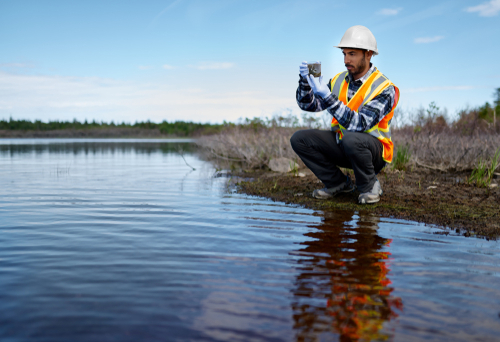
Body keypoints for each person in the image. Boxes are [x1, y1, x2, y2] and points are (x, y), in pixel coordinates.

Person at [290, 25, 400, 204]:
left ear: (369, 54)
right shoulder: (339, 80)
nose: (346, 60)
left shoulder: (385, 88)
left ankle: (369, 186)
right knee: (299, 139)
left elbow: (360, 124)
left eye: (352, 54)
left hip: (373, 153)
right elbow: (308, 105)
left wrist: (327, 96)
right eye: (344, 54)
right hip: (344, 144)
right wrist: (305, 83)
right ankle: (338, 184)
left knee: (352, 138)